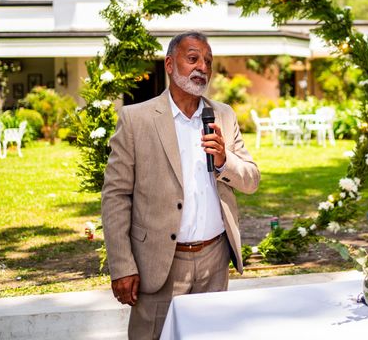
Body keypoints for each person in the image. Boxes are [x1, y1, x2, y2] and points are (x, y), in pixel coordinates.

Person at [102, 31, 260, 339]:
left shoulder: (223, 116)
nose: (202, 66)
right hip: (160, 265)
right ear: (170, 65)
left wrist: (224, 160)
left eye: (208, 61)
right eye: (193, 58)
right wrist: (122, 265)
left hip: (215, 261)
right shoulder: (137, 120)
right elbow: (116, 197)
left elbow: (252, 180)